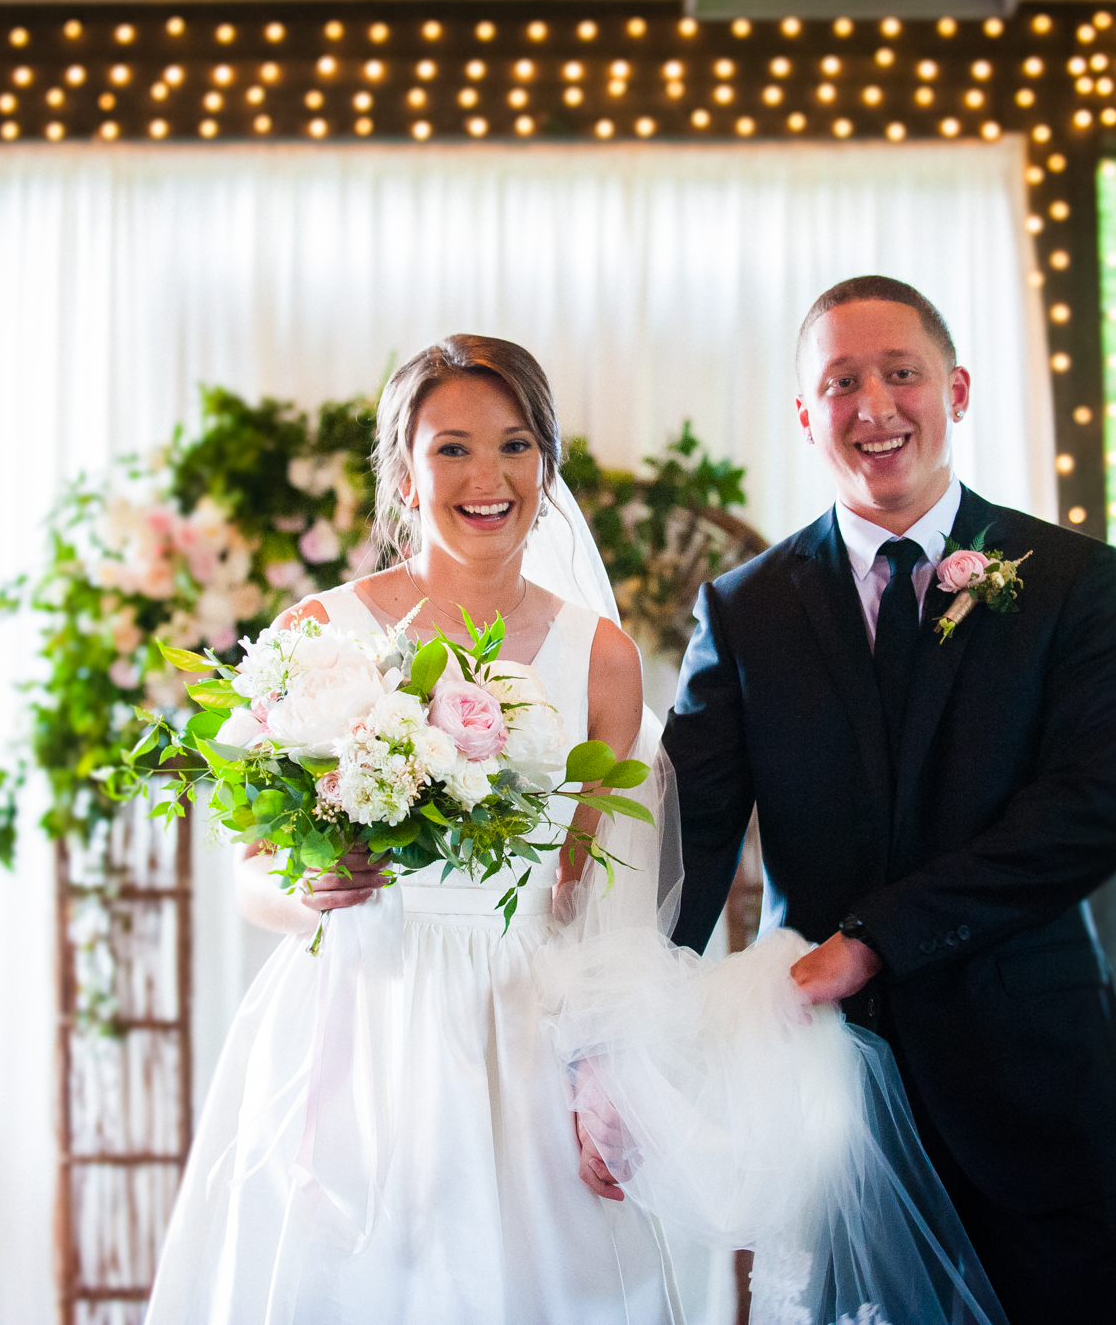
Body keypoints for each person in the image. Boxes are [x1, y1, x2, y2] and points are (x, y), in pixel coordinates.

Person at [146, 335, 1004, 1325]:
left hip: (523, 1027)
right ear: (401, 465)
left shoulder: (595, 655)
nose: (486, 477)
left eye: (514, 446)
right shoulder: (317, 633)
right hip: (359, 1025)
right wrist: (305, 892)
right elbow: (250, 873)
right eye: (451, 448)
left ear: (544, 464)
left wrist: (603, 1075)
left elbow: (600, 900)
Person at [664, 275, 1116, 1325]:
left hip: (1037, 1095)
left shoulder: (1068, 576)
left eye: (900, 373)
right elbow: (688, 841)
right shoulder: (745, 606)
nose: (873, 406)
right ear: (806, 413)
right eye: (840, 382)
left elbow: (1093, 804)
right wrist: (621, 1037)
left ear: (957, 388)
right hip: (831, 1108)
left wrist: (871, 936)